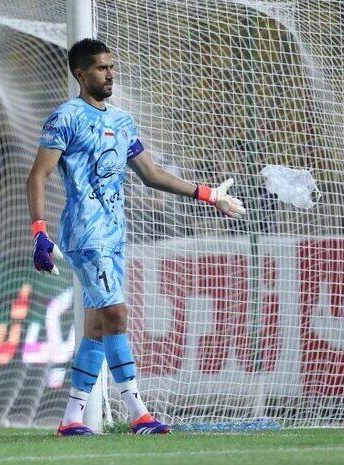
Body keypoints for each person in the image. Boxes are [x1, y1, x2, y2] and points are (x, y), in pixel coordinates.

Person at [26, 38, 246, 436]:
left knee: (99, 323)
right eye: (101, 68)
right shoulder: (65, 118)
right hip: (85, 234)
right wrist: (39, 230)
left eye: (111, 66)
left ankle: (72, 418)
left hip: (115, 235)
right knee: (117, 314)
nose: (110, 74)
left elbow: (152, 174)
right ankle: (139, 413)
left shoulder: (123, 122)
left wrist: (209, 195)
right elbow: (38, 175)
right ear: (80, 73)